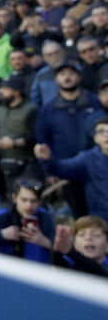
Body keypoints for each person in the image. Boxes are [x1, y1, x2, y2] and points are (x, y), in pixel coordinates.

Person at [36, 62, 101, 217]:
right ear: (56, 79)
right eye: (62, 74)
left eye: (71, 73)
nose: (67, 77)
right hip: (65, 168)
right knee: (78, 212)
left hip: (96, 167)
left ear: (79, 77)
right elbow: (43, 139)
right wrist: (50, 168)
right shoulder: (48, 109)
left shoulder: (95, 102)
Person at [35, 117, 108, 222]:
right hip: (101, 219)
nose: (106, 135)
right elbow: (63, 169)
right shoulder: (87, 158)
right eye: (101, 131)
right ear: (95, 138)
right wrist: (48, 160)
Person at [0, 180, 55, 264]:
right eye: (24, 200)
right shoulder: (2, 215)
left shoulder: (44, 216)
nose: (28, 206)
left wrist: (44, 241)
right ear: (15, 198)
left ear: (39, 202)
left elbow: (62, 251)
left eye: (33, 201)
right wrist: (1, 234)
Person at [0, 76, 39, 198]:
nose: (1, 92)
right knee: (13, 198)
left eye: (5, 89)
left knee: (29, 197)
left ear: (16, 91)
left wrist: (15, 143)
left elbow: (37, 137)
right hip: (6, 162)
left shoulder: (31, 110)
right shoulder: (0, 110)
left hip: (27, 163)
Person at [30, 40, 65, 107]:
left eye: (56, 52)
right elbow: (35, 99)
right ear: (45, 58)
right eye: (49, 55)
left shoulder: (76, 69)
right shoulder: (41, 74)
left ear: (63, 52)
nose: (54, 56)